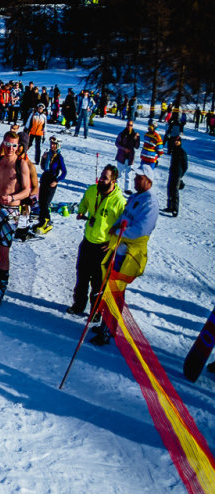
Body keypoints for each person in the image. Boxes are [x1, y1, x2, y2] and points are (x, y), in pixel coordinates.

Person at [89, 167, 158, 345]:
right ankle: (108, 325)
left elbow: (141, 230)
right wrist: (116, 228)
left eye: (139, 178)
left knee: (115, 291)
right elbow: (124, 217)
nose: (135, 180)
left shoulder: (150, 203)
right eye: (135, 177)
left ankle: (106, 330)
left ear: (148, 181)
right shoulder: (136, 196)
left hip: (129, 255)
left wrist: (119, 231)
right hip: (119, 250)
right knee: (111, 289)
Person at [0, 132, 32, 304]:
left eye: (13, 145)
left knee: (4, 250)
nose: (10, 148)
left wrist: (12, 198)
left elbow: (27, 190)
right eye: (7, 144)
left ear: (18, 147)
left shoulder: (21, 164)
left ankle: (2, 285)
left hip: (10, 212)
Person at [70, 163, 125, 315]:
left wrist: (113, 243)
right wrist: (81, 211)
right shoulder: (92, 190)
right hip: (87, 242)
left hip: (103, 248)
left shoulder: (119, 202)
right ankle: (78, 306)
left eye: (105, 178)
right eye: (101, 177)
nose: (100, 180)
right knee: (81, 277)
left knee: (98, 283)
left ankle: (95, 311)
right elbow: (84, 202)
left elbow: (125, 227)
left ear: (113, 182)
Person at [35, 136, 66, 233]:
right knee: (41, 202)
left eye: (54, 144)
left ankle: (47, 222)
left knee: (45, 203)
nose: (52, 146)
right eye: (51, 144)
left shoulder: (59, 157)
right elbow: (43, 167)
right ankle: (41, 221)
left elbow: (64, 172)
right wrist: (43, 159)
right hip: (45, 178)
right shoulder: (47, 154)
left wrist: (57, 180)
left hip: (52, 180)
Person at [165, 130, 187, 217]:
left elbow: (185, 165)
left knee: (175, 192)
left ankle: (175, 209)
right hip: (172, 172)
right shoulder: (174, 151)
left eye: (178, 141)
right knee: (170, 189)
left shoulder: (182, 152)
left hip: (177, 174)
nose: (176, 142)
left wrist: (180, 174)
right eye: (175, 141)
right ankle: (169, 206)